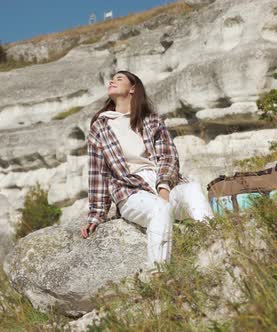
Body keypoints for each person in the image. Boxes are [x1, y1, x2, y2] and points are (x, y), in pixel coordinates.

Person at [81, 70, 214, 273]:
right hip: (130, 190)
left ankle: (214, 245)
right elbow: (97, 174)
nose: (112, 81)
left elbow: (168, 156)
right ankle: (158, 275)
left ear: (133, 88)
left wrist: (164, 187)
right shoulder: (100, 127)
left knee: (192, 189)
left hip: (161, 183)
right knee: (159, 209)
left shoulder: (151, 120)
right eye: (111, 79)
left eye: (119, 79)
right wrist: (96, 216)